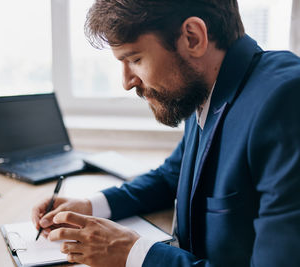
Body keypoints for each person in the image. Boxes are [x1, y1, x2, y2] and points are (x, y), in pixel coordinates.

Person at [32, 0, 300, 266]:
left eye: (135, 59)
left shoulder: (285, 101)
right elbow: (170, 176)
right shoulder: (204, 87)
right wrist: (91, 206)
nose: (126, 82)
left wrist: (133, 254)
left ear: (192, 38)